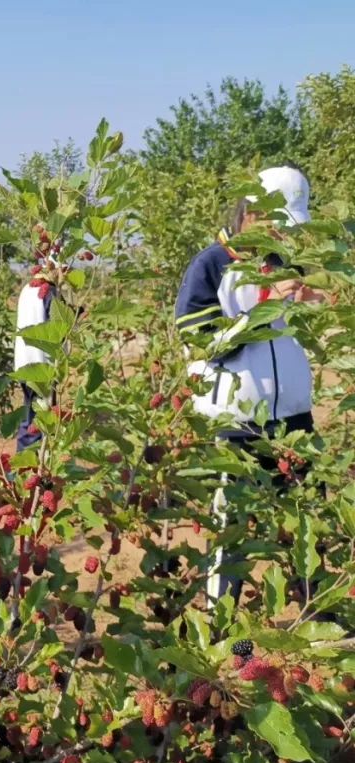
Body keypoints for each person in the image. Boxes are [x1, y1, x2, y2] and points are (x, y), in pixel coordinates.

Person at [174, 164, 323, 603]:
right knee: (232, 531)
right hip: (237, 424)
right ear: (252, 214)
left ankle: (315, 610)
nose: (283, 236)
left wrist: (311, 303)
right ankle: (222, 626)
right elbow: (199, 341)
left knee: (307, 518)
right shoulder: (212, 266)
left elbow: (290, 338)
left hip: (293, 419)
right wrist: (264, 308)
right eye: (277, 226)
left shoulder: (282, 265)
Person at [13, 276, 56, 451]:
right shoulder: (49, 291)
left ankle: (25, 461)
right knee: (40, 420)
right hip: (41, 366)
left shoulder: (27, 289)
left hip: (24, 362)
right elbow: (58, 326)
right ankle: (31, 462)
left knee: (30, 416)